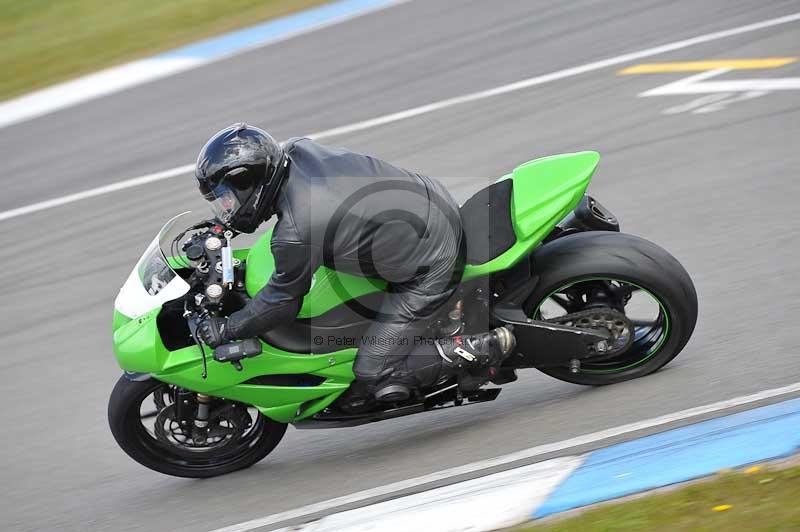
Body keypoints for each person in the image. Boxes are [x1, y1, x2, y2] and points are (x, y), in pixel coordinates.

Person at [195, 123, 514, 402]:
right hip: (427, 203)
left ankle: (481, 347)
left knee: (373, 368)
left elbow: (282, 302)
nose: (226, 206)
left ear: (252, 184)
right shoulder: (295, 149)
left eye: (228, 198)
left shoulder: (297, 229)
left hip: (434, 262)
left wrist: (229, 328)